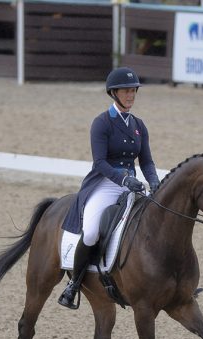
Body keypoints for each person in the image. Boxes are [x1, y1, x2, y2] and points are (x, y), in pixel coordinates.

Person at [58, 67, 161, 309]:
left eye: (133, 90)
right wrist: (124, 180)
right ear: (113, 93)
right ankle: (74, 284)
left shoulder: (139, 125)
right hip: (106, 184)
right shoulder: (102, 123)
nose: (131, 95)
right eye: (126, 91)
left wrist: (154, 180)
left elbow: (145, 160)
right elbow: (100, 162)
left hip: (133, 186)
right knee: (92, 231)